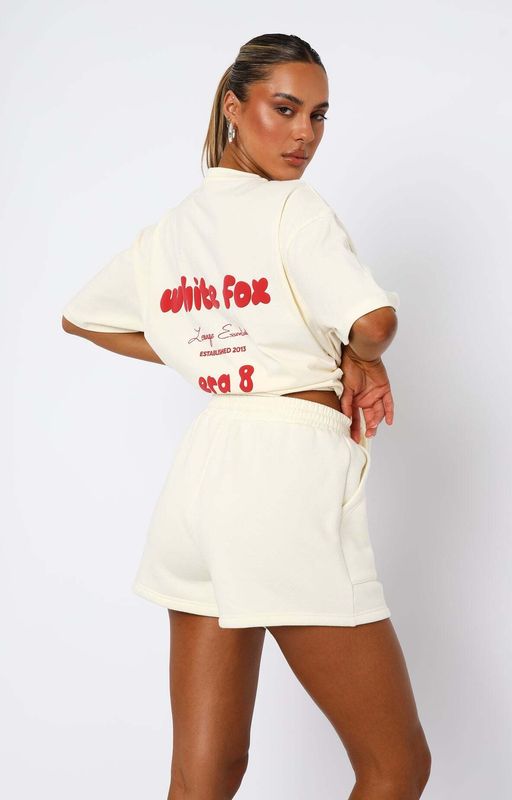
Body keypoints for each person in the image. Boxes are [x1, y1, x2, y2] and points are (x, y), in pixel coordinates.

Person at [61, 32, 431, 800]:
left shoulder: (173, 229)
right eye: (284, 109)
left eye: (318, 116)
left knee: (204, 774)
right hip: (282, 478)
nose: (304, 134)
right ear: (233, 107)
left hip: (202, 475)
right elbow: (373, 321)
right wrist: (357, 353)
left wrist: (211, 353)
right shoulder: (291, 208)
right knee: (394, 766)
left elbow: (82, 317)